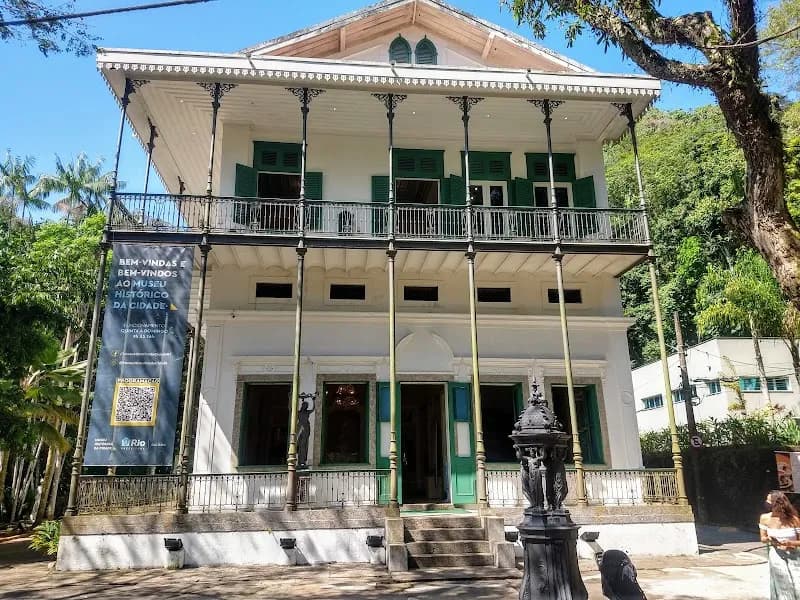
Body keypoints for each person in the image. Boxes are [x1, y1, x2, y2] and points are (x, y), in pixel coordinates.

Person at [760, 491, 800, 599]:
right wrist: (768, 539)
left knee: (797, 584)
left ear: (778, 504)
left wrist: (790, 543)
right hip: (776, 554)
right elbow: (763, 538)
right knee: (783, 584)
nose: (766, 504)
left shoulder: (794, 519)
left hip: (794, 554)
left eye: (769, 501)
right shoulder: (764, 518)